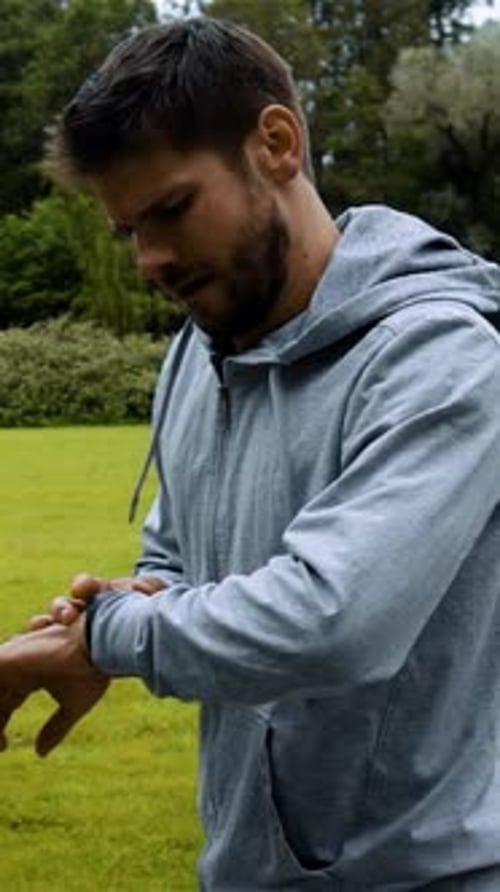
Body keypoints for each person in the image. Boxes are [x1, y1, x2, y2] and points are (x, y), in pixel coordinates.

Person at [1, 16, 500, 891]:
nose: (151, 260)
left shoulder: (442, 357)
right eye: (128, 230)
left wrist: (113, 639)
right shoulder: (201, 349)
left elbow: (335, 622)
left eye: (172, 210)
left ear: (276, 142)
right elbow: (179, 558)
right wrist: (117, 608)